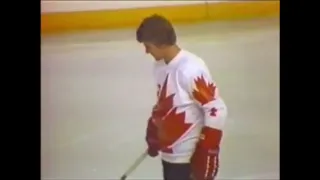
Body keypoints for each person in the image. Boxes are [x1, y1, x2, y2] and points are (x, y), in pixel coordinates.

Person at [136, 14, 228, 180]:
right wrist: (155, 127)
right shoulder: (160, 66)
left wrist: (208, 149)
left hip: (187, 155)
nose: (146, 51)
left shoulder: (190, 69)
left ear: (161, 43)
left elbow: (216, 109)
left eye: (148, 46)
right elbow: (165, 100)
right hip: (170, 153)